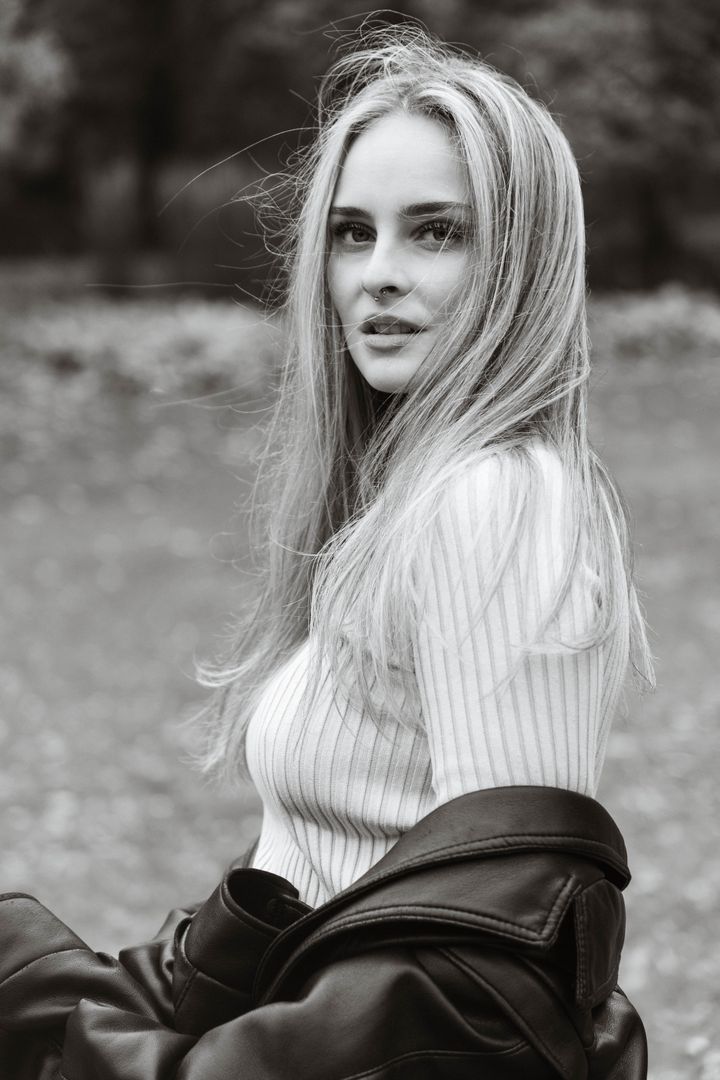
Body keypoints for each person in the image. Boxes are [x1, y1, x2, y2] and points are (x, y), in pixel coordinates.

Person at [0, 23, 654, 1080]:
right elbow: (328, 883)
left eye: (436, 232)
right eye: (353, 233)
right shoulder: (401, 501)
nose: (378, 276)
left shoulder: (494, 499)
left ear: (521, 260)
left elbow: (497, 969)